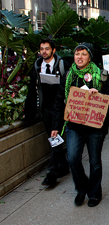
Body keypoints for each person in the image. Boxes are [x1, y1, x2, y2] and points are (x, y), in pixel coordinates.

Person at [51, 43, 109, 207]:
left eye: (83, 54)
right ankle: (81, 188)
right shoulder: (68, 76)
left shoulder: (101, 75)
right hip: (74, 125)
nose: (79, 57)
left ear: (90, 57)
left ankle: (94, 193)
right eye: (77, 54)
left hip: (95, 127)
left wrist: (100, 96)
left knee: (94, 161)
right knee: (73, 159)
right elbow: (60, 102)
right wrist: (56, 126)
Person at [24, 38, 70, 187]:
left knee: (54, 138)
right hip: (46, 109)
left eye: (47, 49)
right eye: (42, 49)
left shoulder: (62, 65)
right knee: (53, 140)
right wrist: (29, 112)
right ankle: (63, 167)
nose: (44, 51)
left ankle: (52, 173)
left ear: (53, 50)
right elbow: (32, 89)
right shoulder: (38, 66)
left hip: (60, 108)